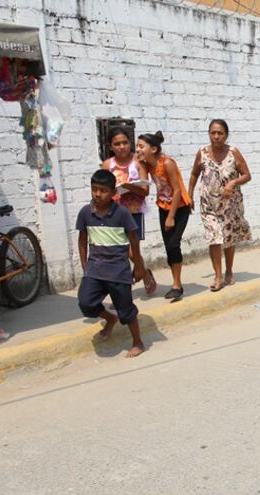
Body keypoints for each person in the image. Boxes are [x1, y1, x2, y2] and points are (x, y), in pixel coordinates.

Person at [76, 169, 146, 358]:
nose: (98, 194)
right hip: (95, 269)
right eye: (94, 189)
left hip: (118, 271)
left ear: (113, 192)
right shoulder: (85, 213)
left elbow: (134, 240)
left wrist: (139, 266)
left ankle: (138, 341)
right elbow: (82, 240)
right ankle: (110, 318)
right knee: (86, 303)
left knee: (127, 310)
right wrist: (85, 267)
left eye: (103, 190)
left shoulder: (122, 214)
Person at [187, 119, 252, 291]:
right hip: (209, 205)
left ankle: (229, 270)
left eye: (220, 133)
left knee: (228, 239)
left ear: (226, 135)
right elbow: (194, 174)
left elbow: (247, 175)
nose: (216, 136)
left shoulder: (233, 153)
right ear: (209, 134)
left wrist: (233, 183)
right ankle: (218, 276)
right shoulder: (202, 153)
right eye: (213, 133)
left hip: (230, 205)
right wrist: (189, 194)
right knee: (214, 238)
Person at [137, 131, 191, 302]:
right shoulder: (146, 164)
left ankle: (177, 285)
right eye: (137, 146)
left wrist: (171, 216)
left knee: (174, 244)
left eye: (141, 146)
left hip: (179, 207)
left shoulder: (167, 163)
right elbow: (144, 183)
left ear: (153, 149)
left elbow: (176, 190)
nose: (138, 149)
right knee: (168, 246)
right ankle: (176, 283)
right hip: (163, 206)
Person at [102, 128, 156, 295]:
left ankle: (142, 273)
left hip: (134, 212)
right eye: (117, 144)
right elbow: (102, 188)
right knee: (119, 252)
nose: (122, 146)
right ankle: (137, 279)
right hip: (113, 213)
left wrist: (129, 186)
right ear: (110, 146)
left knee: (132, 250)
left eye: (125, 142)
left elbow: (145, 190)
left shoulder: (138, 162)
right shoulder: (107, 165)